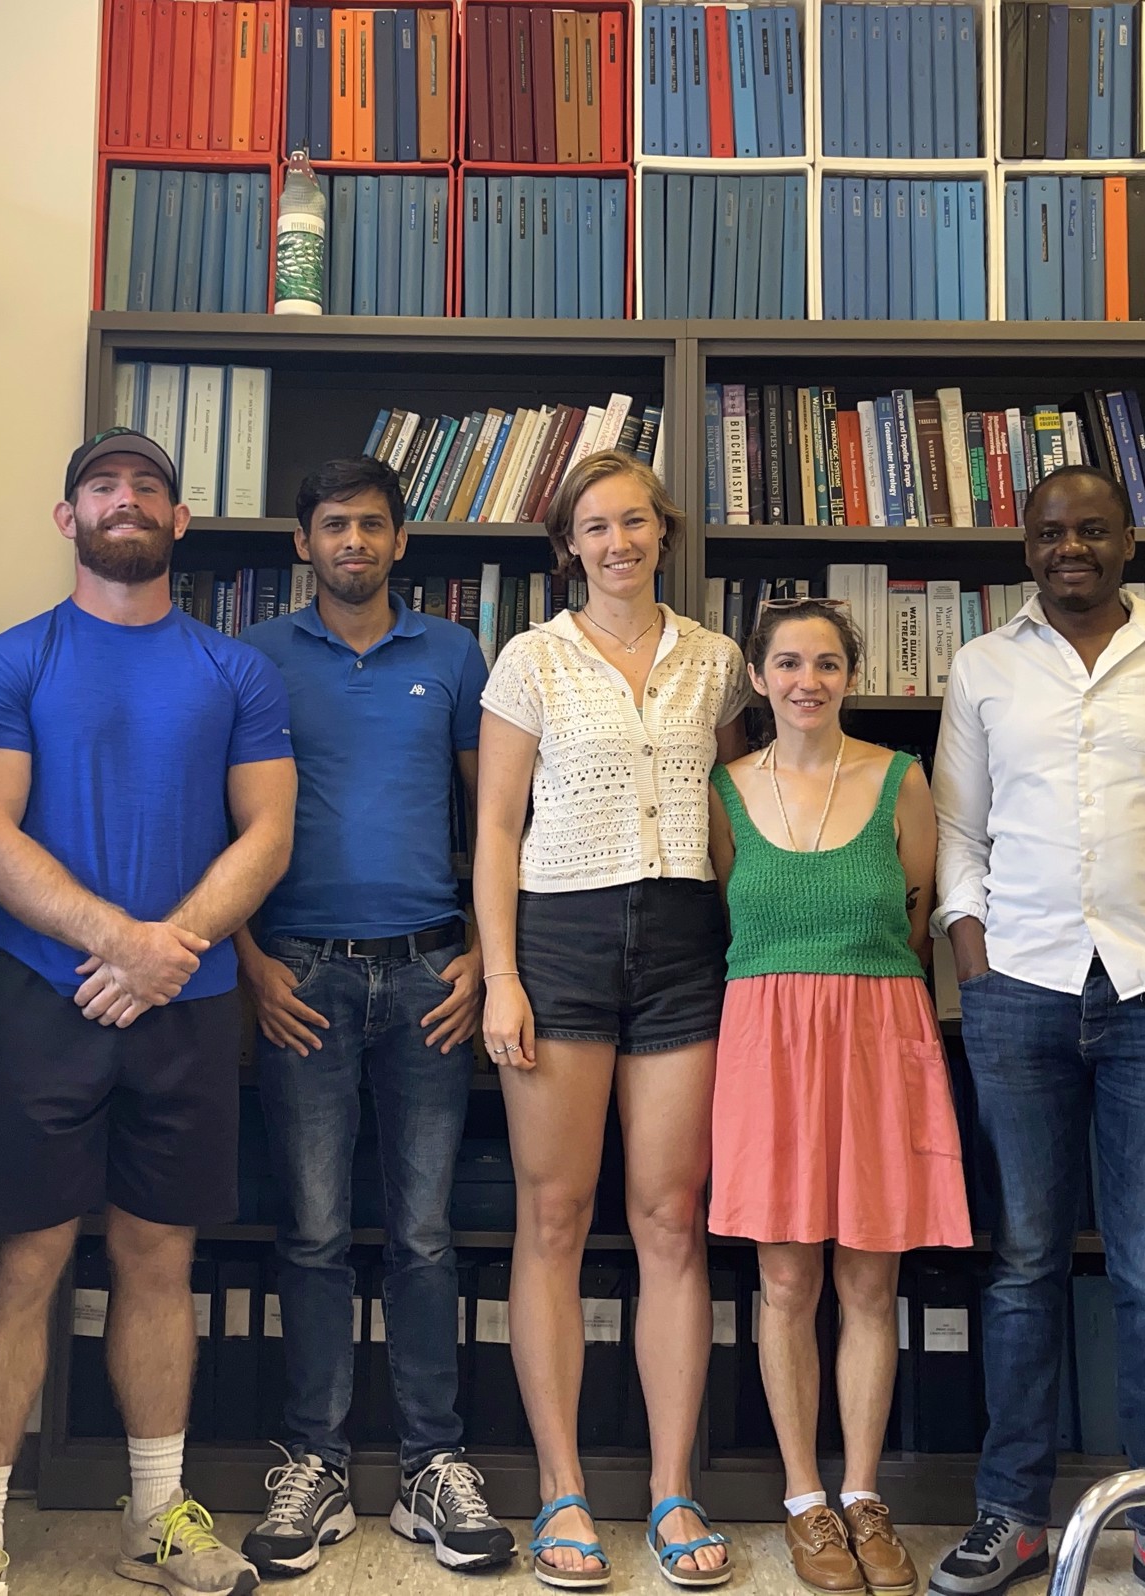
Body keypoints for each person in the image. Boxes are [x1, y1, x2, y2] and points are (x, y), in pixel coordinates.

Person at [0, 428, 296, 1595]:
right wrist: (119, 945)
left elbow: (268, 834)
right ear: (68, 518)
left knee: (158, 1261)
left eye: (148, 486)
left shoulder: (236, 671)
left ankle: (159, 1518)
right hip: (47, 1001)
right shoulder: (7, 663)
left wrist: (167, 956)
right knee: (23, 1263)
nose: (126, 499)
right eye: (103, 484)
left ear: (180, 522)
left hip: (187, 1011)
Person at [927, 466, 1145, 1596]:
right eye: (1048, 532)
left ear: (1129, 541)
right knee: (1024, 1267)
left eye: (1091, 530)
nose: (1068, 547)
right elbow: (956, 834)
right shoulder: (984, 665)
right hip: (1018, 992)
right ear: (1023, 547)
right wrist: (976, 960)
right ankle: (1011, 1519)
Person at [234, 456, 513, 1578]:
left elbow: (497, 818)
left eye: (373, 526)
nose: (353, 541)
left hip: (428, 981)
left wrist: (487, 956)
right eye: (333, 523)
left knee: (426, 1235)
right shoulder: (252, 657)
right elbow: (222, 824)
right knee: (307, 1233)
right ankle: (315, 1466)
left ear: (402, 543)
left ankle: (432, 1473)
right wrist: (249, 962)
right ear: (303, 543)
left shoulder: (451, 655)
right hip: (298, 979)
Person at [474, 451, 746, 1591]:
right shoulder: (530, 660)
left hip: (687, 946)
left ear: (662, 531)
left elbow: (737, 817)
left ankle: (673, 1488)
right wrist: (500, 976)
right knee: (556, 1215)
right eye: (595, 526)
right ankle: (562, 1489)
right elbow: (494, 828)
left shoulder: (720, 661)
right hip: (562, 945)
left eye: (634, 521)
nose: (618, 541)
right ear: (568, 546)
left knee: (671, 1218)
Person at [708, 598, 972, 1596]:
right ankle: (803, 1499)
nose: (806, 681)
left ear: (848, 675)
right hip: (765, 1045)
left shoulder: (902, 781)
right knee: (785, 1285)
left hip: (878, 1040)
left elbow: (911, 919)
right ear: (761, 677)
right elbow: (730, 919)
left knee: (869, 1285)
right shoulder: (725, 790)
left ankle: (864, 1494)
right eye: (786, 663)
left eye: (824, 663)